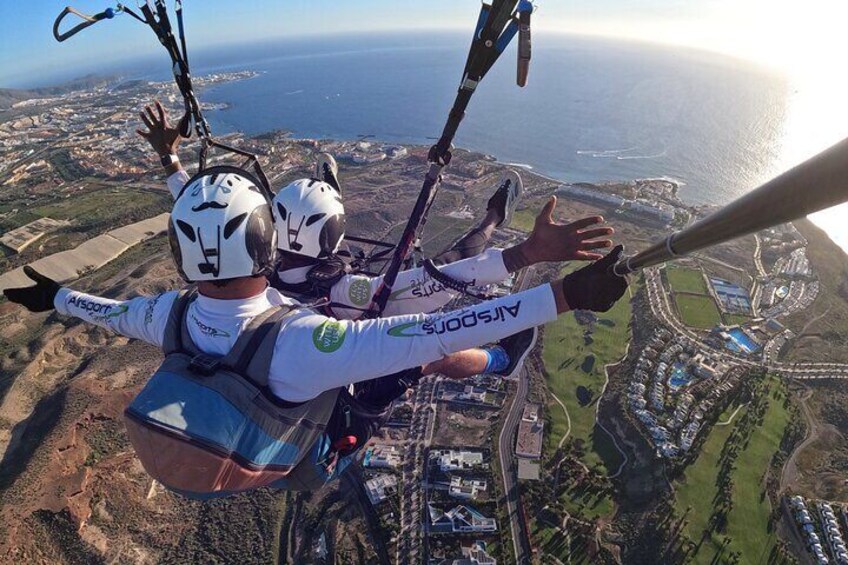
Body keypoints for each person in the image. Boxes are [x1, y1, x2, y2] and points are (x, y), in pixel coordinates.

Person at [4, 166, 629, 495]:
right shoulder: (305, 344)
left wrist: (56, 295)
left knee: (420, 353)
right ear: (268, 239)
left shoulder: (165, 314)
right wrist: (562, 292)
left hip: (224, 430)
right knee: (422, 359)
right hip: (318, 441)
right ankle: (502, 366)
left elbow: (107, 311)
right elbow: (437, 331)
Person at [136, 101, 614, 321]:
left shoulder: (243, 265)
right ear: (334, 235)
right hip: (359, 322)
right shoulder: (347, 289)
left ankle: (327, 186)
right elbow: (442, 279)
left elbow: (200, 211)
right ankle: (494, 217)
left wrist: (171, 159)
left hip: (303, 284)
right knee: (448, 260)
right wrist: (526, 254)